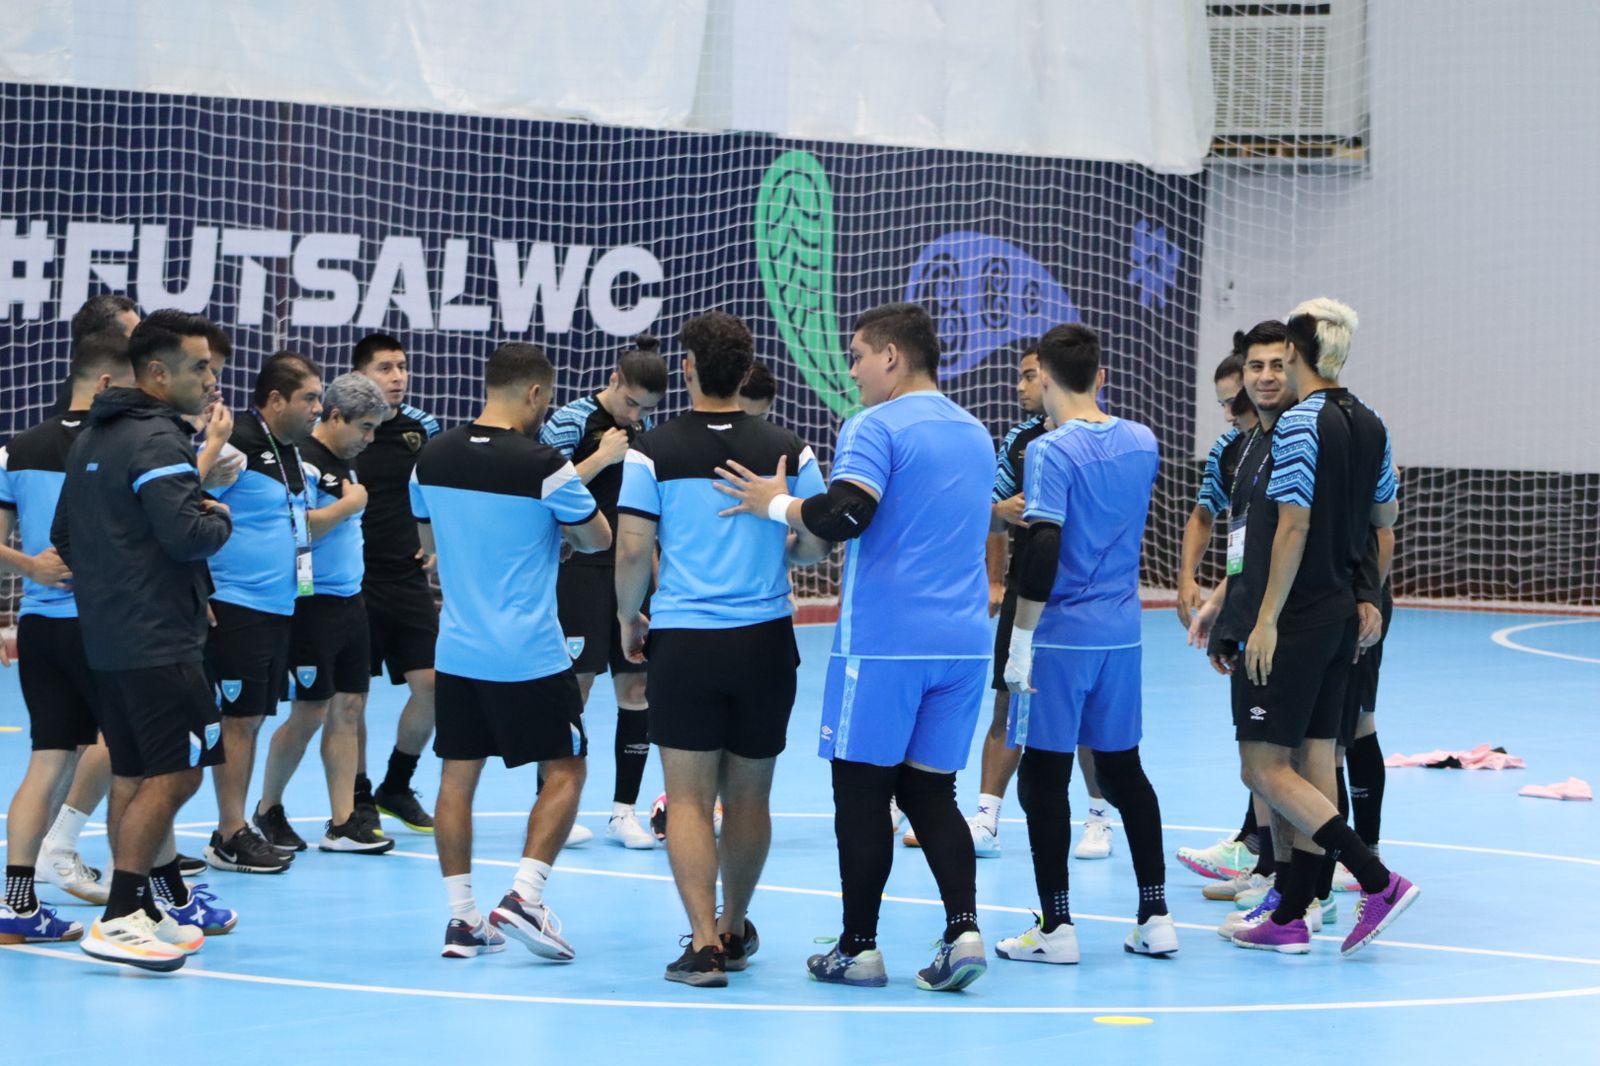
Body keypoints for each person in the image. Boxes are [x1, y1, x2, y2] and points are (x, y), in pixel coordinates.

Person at [715, 302, 993, 993]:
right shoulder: (975, 431)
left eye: (859, 357)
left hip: (886, 644)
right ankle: (964, 932)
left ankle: (858, 948)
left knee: (862, 795)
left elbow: (845, 515)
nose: (854, 372)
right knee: (933, 793)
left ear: (893, 355)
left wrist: (774, 503)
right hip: (963, 645)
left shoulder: (875, 425)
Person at [610, 312, 827, 985]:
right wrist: (774, 545)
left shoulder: (654, 452)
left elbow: (632, 547)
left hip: (687, 645)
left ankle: (703, 943)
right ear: (748, 368)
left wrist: (628, 620)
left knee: (690, 800)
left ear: (688, 369)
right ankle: (734, 927)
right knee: (751, 799)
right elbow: (817, 543)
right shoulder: (791, 447)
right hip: (765, 643)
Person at [1218, 298, 1416, 957]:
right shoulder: (1373, 421)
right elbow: (1385, 523)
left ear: (1299, 357)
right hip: (1342, 615)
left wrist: (1266, 618)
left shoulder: (1301, 426)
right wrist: (1369, 597)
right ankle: (1296, 911)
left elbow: (1294, 525)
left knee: (1262, 766)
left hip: (1297, 618)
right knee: (1312, 755)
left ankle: (1375, 879)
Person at [410, 342, 611, 961]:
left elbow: (429, 540)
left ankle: (462, 919)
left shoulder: (431, 458)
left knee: (456, 778)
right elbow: (597, 539)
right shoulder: (544, 463)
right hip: (530, 654)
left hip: (461, 650)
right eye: (546, 399)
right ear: (533, 394)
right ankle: (525, 895)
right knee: (566, 770)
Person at [51, 309, 237, 971]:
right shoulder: (158, 440)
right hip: (160, 639)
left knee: (134, 770)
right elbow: (187, 535)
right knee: (179, 771)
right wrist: (219, 518)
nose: (211, 379)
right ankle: (120, 915)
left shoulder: (92, 436)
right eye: (199, 367)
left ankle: (139, 909)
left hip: (108, 637)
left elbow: (65, 539)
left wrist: (117, 580)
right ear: (156, 372)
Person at [995, 324, 1174, 964]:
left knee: (1043, 777)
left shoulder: (1049, 451)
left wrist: (1020, 639)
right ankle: (1156, 914)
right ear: (1100, 376)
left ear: (1043, 376)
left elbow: (1043, 545)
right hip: (1122, 636)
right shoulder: (1143, 441)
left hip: (1061, 638)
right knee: (1124, 771)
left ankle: (1056, 928)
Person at [949, 340, 1114, 863]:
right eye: (1019, 377)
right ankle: (987, 819)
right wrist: (1005, 510)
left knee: (1089, 714)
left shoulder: (1106, 440)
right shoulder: (1020, 441)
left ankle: (1097, 819)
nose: (1021, 387)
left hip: (1085, 599)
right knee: (1008, 701)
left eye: (1029, 377)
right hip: (1027, 594)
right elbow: (991, 516)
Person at [1, 331, 132, 941]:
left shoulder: (20, 446)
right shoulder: (119, 443)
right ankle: (141, 906)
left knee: (46, 762)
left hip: (39, 628)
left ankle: (15, 901)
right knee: (135, 758)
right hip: (102, 627)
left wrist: (30, 567)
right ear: (106, 383)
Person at [253, 373, 394, 854]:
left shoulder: (343, 461)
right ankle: (267, 808)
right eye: (366, 428)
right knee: (309, 711)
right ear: (335, 417)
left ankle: (344, 822)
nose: (370, 439)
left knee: (350, 709)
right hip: (310, 605)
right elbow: (297, 529)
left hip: (350, 601)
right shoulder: (303, 462)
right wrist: (352, 505)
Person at [540, 335, 667, 849]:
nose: (636, 415)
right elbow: (542, 488)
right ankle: (555, 808)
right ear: (613, 380)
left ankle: (624, 812)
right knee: (576, 689)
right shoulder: (571, 420)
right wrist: (600, 457)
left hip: (630, 573)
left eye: (646, 409)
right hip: (578, 573)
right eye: (630, 402)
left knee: (636, 690)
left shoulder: (646, 431)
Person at [203, 351, 324, 873]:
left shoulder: (288, 448)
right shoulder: (238, 447)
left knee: (250, 719)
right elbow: (188, 505)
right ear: (275, 400)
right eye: (310, 399)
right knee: (238, 720)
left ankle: (236, 826)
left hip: (277, 605)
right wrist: (198, 590)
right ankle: (229, 834)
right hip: (235, 605)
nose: (319, 408)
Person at [353, 333, 442, 833]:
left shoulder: (421, 428)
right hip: (353, 582)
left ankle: (395, 784)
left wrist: (434, 542)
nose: (398, 377)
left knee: (433, 687)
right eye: (385, 368)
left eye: (402, 367)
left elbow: (437, 490)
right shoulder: (339, 427)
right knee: (352, 699)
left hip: (407, 577)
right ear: (360, 375)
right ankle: (359, 797)